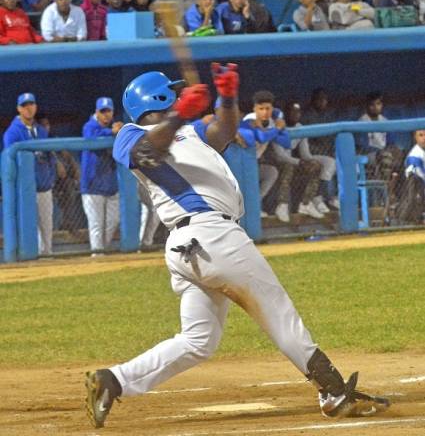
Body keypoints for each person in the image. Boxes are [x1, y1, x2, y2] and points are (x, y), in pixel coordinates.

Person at [84, 64, 390, 428]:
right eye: (174, 92)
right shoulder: (131, 134)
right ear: (159, 98)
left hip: (199, 245)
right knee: (277, 311)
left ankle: (113, 380)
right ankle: (334, 391)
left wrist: (228, 97)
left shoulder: (190, 130)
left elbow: (223, 130)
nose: (180, 95)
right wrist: (181, 112)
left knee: (199, 340)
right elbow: (147, 155)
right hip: (210, 236)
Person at [3, 93, 59, 256]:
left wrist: (50, 177)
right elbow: (10, 161)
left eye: (31, 104)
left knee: (46, 225)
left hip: (44, 186)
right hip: (25, 190)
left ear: (35, 106)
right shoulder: (12, 132)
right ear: (19, 109)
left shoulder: (41, 130)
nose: (28, 108)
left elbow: (49, 156)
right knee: (28, 225)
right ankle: (29, 258)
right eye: (24, 105)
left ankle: (46, 255)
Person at [80, 97, 124, 255]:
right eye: (102, 111)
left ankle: (101, 250)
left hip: (111, 185)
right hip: (92, 186)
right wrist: (112, 132)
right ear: (96, 112)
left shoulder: (115, 127)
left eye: (108, 111)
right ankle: (97, 255)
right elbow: (92, 137)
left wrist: (119, 130)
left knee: (113, 221)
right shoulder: (89, 126)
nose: (106, 115)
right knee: (96, 224)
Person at [396, 129, 425, 223]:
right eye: (421, 135)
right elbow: (419, 174)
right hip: (414, 185)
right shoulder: (415, 154)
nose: (424, 138)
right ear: (415, 138)